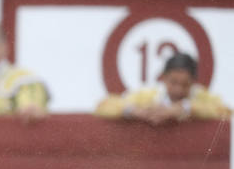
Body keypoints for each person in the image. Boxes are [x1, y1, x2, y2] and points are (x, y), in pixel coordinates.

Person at [95, 52, 233, 123]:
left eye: (185, 84)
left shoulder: (200, 96)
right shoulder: (148, 97)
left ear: (193, 82)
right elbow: (103, 105)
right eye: (173, 82)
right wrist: (134, 111)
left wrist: (186, 108)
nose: (178, 89)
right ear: (163, 78)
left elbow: (228, 113)